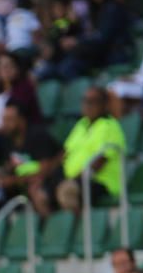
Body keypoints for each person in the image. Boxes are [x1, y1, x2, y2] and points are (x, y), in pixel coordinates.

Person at [47, 86, 125, 214]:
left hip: (100, 182)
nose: (88, 105)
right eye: (85, 101)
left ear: (104, 105)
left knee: (66, 190)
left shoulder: (111, 127)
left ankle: (80, 229)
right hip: (75, 180)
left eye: (93, 101)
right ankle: (54, 231)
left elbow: (99, 162)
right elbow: (65, 154)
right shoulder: (81, 125)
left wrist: (74, 180)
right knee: (41, 192)